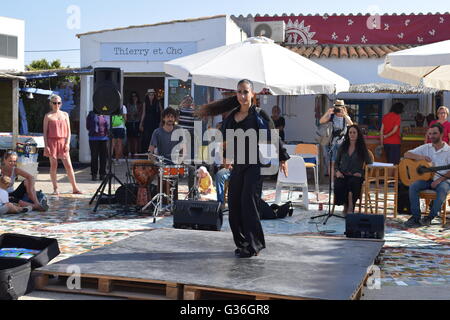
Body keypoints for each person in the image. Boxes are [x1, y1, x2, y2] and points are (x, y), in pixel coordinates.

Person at [196, 79, 290, 258]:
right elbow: (225, 139)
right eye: (240, 92)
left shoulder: (259, 114)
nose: (243, 95)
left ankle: (254, 244)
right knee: (234, 205)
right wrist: (225, 157)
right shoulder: (232, 117)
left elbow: (273, 136)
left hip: (255, 165)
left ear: (252, 94)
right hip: (238, 165)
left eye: (246, 92)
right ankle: (242, 242)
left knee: (248, 203)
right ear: (236, 94)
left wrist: (282, 157)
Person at [404, 123, 450, 228]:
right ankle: (415, 217)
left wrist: (438, 181)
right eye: (430, 134)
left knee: (443, 189)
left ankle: (429, 217)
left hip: (442, 180)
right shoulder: (426, 147)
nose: (432, 136)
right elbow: (406, 154)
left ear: (441, 134)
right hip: (426, 179)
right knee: (413, 186)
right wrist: (421, 157)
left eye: (435, 133)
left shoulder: (448, 151)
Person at [43, 94, 82, 195]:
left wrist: (68, 143)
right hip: (52, 142)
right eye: (55, 103)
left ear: (61, 103)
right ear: (51, 104)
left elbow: (69, 131)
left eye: (59, 103)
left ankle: (75, 188)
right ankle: (55, 188)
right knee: (54, 166)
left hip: (63, 141)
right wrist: (46, 145)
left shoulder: (65, 115)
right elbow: (45, 133)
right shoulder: (48, 116)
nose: (57, 105)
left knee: (69, 165)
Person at [148, 107, 186, 202]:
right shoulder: (157, 132)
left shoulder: (179, 131)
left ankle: (174, 204)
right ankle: (162, 203)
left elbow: (183, 149)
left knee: (174, 187)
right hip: (162, 164)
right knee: (162, 186)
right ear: (163, 119)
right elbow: (151, 150)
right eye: (168, 117)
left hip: (175, 164)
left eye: (172, 117)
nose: (170, 119)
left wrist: (181, 161)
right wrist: (154, 162)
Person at [334, 125, 373, 214]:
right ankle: (345, 205)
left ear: (358, 134)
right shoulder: (343, 147)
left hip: (356, 175)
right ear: (348, 134)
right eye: (350, 132)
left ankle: (351, 206)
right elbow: (336, 163)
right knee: (339, 183)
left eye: (354, 132)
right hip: (343, 173)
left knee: (353, 182)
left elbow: (369, 164)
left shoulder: (362, 148)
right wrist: (337, 171)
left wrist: (362, 174)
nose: (352, 134)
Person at [319, 100, 353, 181]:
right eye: (337, 108)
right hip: (332, 143)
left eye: (340, 108)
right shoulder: (332, 116)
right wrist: (328, 112)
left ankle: (340, 180)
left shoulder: (346, 117)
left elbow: (352, 125)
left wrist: (344, 115)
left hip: (342, 143)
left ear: (343, 108)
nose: (338, 110)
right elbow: (321, 121)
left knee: (343, 163)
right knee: (332, 163)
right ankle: (332, 182)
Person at [86, 111, 109, 181]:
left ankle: (102, 174)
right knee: (94, 157)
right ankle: (94, 174)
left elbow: (108, 125)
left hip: (104, 138)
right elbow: (88, 126)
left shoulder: (106, 114)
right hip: (93, 138)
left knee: (103, 157)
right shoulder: (91, 114)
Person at [140, 89, 163, 153]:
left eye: (152, 95)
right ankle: (146, 151)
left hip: (155, 121)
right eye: (150, 95)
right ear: (147, 95)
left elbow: (162, 112)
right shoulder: (145, 102)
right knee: (146, 137)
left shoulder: (158, 102)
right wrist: (141, 123)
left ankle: (154, 151)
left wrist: (161, 122)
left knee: (155, 136)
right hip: (147, 121)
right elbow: (143, 113)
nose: (151, 96)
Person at [126, 92, 143, 158]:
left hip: (137, 122)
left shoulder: (140, 104)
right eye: (133, 96)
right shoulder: (129, 104)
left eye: (135, 96)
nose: (134, 97)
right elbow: (127, 113)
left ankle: (136, 152)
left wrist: (136, 104)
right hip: (129, 122)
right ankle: (129, 152)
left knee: (136, 138)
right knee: (129, 138)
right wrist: (131, 115)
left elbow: (139, 113)